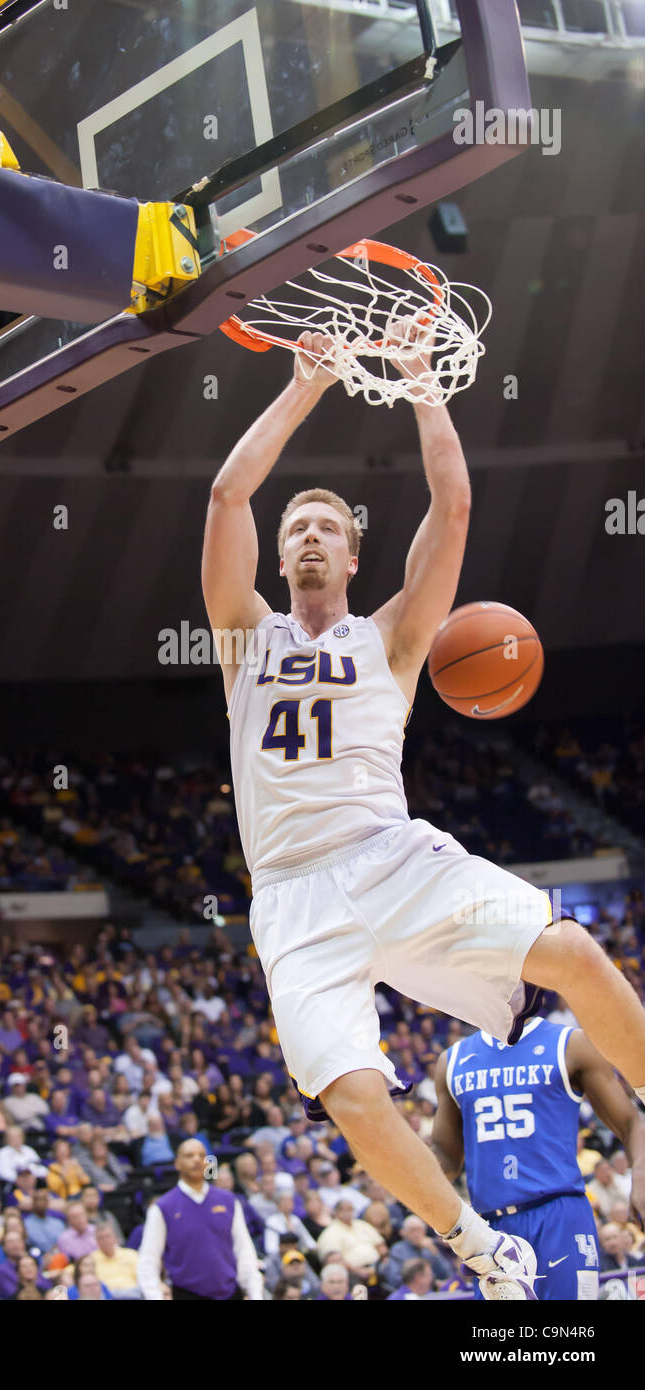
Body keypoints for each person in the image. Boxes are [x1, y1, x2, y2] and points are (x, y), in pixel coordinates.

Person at [200, 330, 645, 1298]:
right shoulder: (242, 637)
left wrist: (417, 382)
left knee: (568, 952)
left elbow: (453, 503)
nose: (309, 533)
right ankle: (477, 1245)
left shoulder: (395, 639)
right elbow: (225, 495)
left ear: (354, 553)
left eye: (325, 525)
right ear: (280, 555)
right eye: (297, 527)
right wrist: (301, 387)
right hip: (290, 900)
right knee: (354, 1099)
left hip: (390, 856)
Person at [432, 1015, 645, 1300]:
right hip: (491, 1228)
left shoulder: (572, 1044)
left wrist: (641, 1174)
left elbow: (631, 1122)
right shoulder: (452, 1060)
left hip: (559, 1214)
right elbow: (445, 1157)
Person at [137, 1138, 263, 1300]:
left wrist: (255, 1294)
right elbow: (148, 1261)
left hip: (230, 1292)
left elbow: (245, 1252)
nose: (196, 1159)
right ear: (177, 1163)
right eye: (189, 1155)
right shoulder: (162, 1208)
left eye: (201, 1155)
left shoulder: (229, 1201)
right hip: (187, 1293)